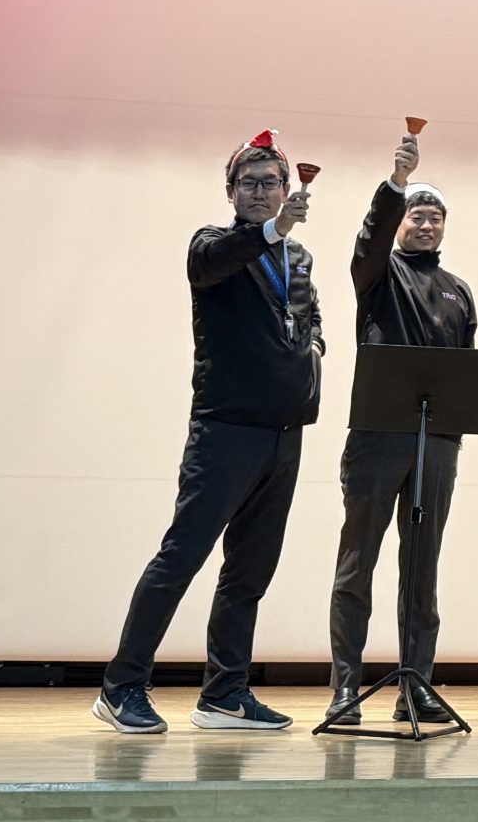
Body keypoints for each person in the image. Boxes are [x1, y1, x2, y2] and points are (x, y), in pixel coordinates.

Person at [93, 130, 323, 735]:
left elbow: (308, 314)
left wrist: (314, 348)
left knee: (250, 571)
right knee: (181, 557)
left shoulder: (298, 258)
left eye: (269, 182)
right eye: (248, 183)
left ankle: (225, 695)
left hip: (284, 433)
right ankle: (121, 687)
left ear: (285, 189)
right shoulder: (212, 245)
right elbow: (216, 263)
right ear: (230, 191)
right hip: (225, 431)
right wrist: (271, 233)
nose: (259, 191)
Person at [324, 128, 478, 727]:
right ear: (399, 223)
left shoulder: (459, 292)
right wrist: (396, 185)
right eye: (417, 215)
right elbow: (368, 238)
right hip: (376, 439)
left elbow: (466, 373)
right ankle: (345, 689)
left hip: (435, 445)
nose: (427, 224)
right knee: (357, 563)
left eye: (436, 217)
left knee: (422, 567)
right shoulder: (379, 274)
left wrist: (452, 436)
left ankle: (416, 686)